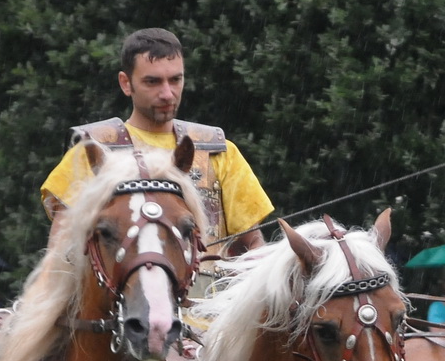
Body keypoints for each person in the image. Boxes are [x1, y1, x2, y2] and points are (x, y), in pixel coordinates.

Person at [39, 28, 274, 259]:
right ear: (125, 83)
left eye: (175, 80)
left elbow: (252, 245)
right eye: (153, 82)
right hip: (121, 296)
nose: (168, 93)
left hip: (212, 297)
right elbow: (59, 256)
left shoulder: (218, 152)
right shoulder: (92, 152)